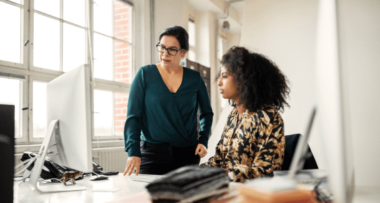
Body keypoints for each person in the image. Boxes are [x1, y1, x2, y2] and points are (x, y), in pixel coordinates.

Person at [123, 26, 213, 176]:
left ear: (183, 53)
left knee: (185, 199)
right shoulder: (145, 74)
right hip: (151, 154)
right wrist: (133, 151)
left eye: (172, 49)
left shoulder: (195, 78)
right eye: (162, 47)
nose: (165, 54)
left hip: (187, 155)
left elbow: (206, 113)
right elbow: (133, 117)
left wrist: (203, 140)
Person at [201, 46, 290, 182]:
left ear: (243, 80)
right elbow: (219, 160)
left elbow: (267, 170)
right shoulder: (233, 116)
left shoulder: (268, 117)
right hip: (225, 188)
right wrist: (194, 172)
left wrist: (226, 174)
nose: (219, 82)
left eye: (225, 76)